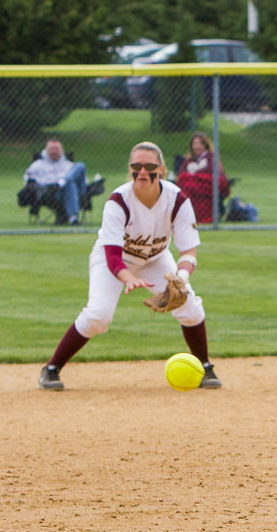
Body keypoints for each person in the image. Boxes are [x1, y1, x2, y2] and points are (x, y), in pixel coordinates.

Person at [38, 141, 222, 391]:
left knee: (188, 304)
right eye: (136, 166)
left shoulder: (177, 199)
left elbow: (188, 250)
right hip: (113, 261)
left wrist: (180, 277)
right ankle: (51, 369)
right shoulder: (118, 201)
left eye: (149, 166)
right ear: (130, 169)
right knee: (99, 316)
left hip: (156, 258)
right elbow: (113, 255)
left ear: (161, 169)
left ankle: (205, 366)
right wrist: (127, 278)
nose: (142, 172)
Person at [22, 138, 95, 226]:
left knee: (80, 166)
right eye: (51, 149)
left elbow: (84, 181)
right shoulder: (38, 165)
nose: (54, 151)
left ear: (62, 150)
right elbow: (29, 180)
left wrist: (63, 180)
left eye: (57, 149)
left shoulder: (68, 164)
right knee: (70, 184)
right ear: (46, 150)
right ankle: (73, 219)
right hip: (52, 193)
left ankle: (62, 181)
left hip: (77, 192)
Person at [175, 131, 230, 223]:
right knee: (186, 183)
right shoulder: (188, 160)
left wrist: (194, 178)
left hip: (205, 187)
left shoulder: (211, 158)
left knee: (189, 184)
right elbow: (181, 176)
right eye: (195, 143)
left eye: (200, 143)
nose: (197, 146)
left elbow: (217, 176)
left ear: (205, 145)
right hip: (191, 189)